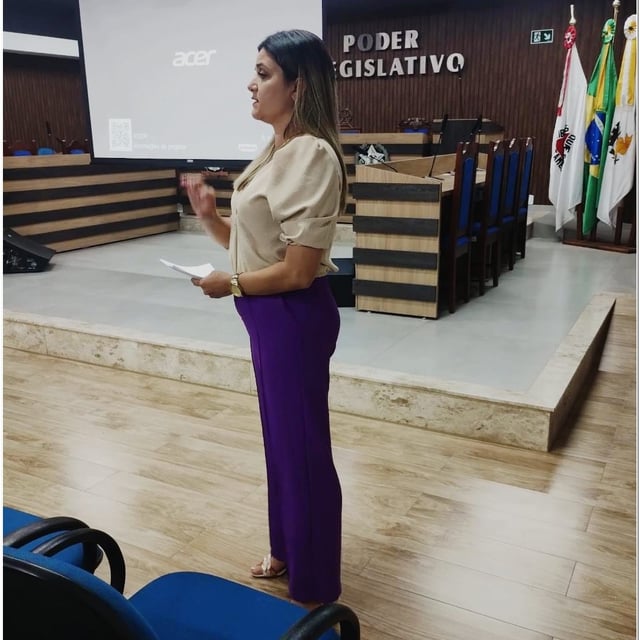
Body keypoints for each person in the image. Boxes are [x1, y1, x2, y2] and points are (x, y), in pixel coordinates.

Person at [182, 29, 347, 606]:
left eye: (264, 73)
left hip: (293, 316)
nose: (251, 85)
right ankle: (287, 547)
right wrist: (210, 218)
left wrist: (227, 283)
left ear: (298, 86)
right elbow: (256, 246)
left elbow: (297, 270)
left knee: (303, 448)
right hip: (267, 315)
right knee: (281, 441)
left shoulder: (312, 154)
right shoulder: (276, 148)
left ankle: (316, 580)